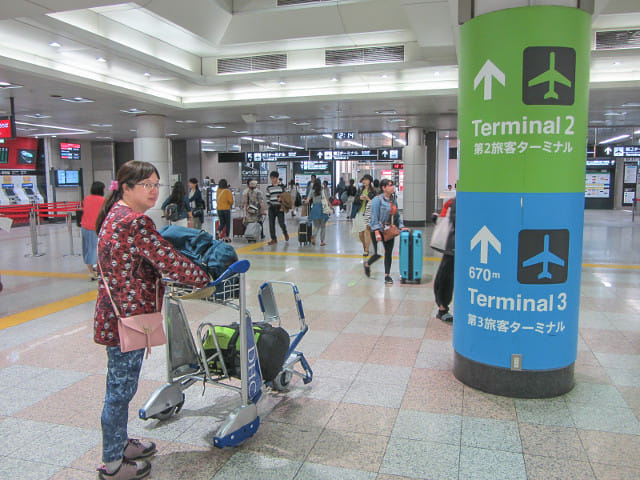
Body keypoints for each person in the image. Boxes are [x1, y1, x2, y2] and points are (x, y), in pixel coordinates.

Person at [93, 160, 210, 480]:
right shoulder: (134, 222)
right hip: (128, 318)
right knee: (119, 391)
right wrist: (204, 277)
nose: (154, 190)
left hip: (114, 314)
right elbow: (168, 262)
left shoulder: (112, 215)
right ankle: (112, 464)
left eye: (157, 184)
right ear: (126, 188)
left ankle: (120, 443)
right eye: (146, 184)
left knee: (120, 386)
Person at [364, 178, 405, 285]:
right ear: (384, 188)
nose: (392, 187)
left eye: (392, 185)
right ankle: (367, 264)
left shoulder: (393, 200)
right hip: (377, 229)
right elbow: (374, 217)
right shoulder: (377, 200)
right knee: (377, 253)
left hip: (388, 230)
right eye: (390, 185)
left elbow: (396, 217)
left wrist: (401, 227)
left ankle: (387, 275)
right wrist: (377, 231)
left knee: (388, 252)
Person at [434, 197, 456, 322]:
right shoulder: (456, 202)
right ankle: (442, 307)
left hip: (459, 246)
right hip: (453, 246)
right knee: (446, 275)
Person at [81, 181, 105, 280]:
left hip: (85, 227)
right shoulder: (103, 200)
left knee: (87, 249)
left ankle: (91, 272)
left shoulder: (86, 199)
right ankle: (100, 272)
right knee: (98, 250)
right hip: (97, 228)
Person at [351, 174, 375, 256]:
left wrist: (368, 199)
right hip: (360, 213)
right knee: (360, 233)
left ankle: (367, 250)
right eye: (363, 180)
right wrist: (359, 198)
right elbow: (355, 200)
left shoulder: (373, 191)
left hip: (369, 213)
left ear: (370, 181)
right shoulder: (360, 189)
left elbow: (375, 203)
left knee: (367, 232)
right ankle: (364, 245)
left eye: (366, 180)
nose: (364, 181)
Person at [266, 171, 289, 245]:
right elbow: (267, 198)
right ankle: (273, 239)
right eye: (271, 178)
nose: (272, 179)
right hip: (272, 208)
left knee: (281, 223)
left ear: (277, 178)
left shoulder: (282, 186)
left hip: (280, 207)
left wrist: (282, 199)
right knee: (271, 224)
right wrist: (269, 204)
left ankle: (285, 232)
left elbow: (287, 196)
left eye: (274, 178)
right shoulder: (269, 188)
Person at [305, 179, 329, 246]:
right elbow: (326, 199)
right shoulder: (322, 190)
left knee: (316, 226)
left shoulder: (312, 191)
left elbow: (307, 200)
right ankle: (322, 241)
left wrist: (308, 201)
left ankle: (314, 235)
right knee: (323, 226)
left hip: (315, 209)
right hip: (322, 209)